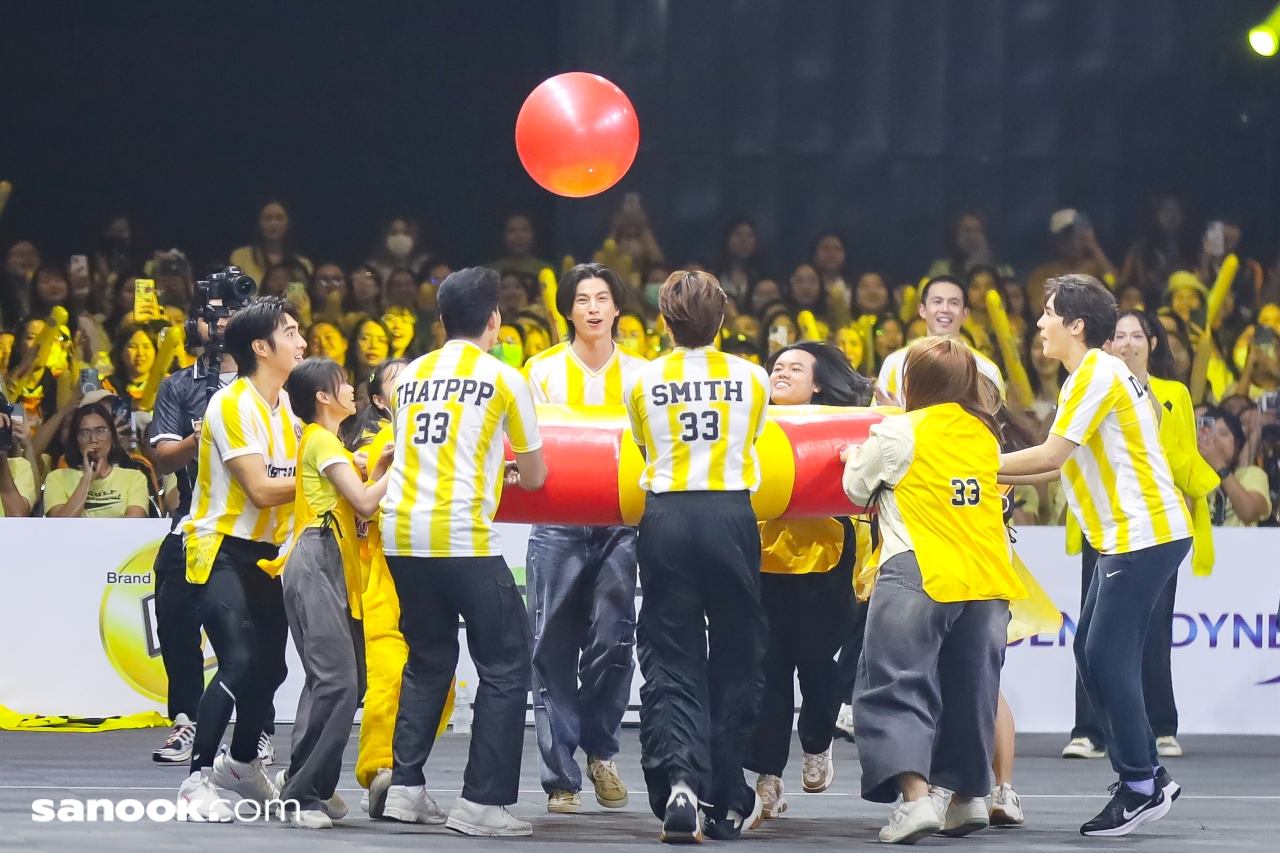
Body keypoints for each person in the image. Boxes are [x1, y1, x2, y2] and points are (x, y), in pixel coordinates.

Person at [999, 274, 1191, 837]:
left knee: (1106, 655)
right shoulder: (1093, 375)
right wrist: (995, 474)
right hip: (1130, 536)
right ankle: (1145, 775)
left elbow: (1052, 454)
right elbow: (1058, 466)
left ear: (1076, 325)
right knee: (1091, 650)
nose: (1040, 323)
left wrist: (965, 469)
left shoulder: (1095, 373)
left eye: (1048, 313)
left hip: (1144, 534)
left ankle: (1141, 785)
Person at [376, 266, 546, 837]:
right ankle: (481, 803)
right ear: (494, 320)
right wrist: (512, 470)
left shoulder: (409, 377)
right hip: (463, 538)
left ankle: (406, 788)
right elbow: (538, 472)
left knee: (428, 659)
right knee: (505, 663)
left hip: (400, 535)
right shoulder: (504, 377)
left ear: (441, 321)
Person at [842, 336, 1026, 844]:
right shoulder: (985, 434)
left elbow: (855, 488)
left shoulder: (900, 430)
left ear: (913, 383)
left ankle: (916, 801)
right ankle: (967, 799)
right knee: (972, 692)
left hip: (920, 571)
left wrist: (852, 456)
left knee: (895, 684)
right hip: (987, 583)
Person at [626, 269, 771, 843]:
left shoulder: (641, 381)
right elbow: (753, 439)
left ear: (664, 321)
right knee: (739, 654)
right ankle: (729, 801)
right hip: (732, 517)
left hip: (666, 519)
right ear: (723, 318)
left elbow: (643, 444)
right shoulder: (753, 377)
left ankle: (680, 784)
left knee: (670, 653)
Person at [1060, 311, 1218, 763]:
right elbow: (1068, 458)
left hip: (1148, 523)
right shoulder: (1091, 380)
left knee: (1134, 634)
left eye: (1136, 335)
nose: (1127, 343)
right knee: (1093, 642)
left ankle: (1150, 748)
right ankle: (1098, 736)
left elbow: (1180, 454)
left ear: (1152, 342)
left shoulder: (1170, 394)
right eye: (1118, 335)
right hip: (1107, 525)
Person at [521, 263, 647, 815]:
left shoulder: (645, 375)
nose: (593, 308)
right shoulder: (539, 370)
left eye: (602, 298)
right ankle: (561, 777)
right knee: (551, 648)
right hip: (556, 524)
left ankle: (601, 750)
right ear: (567, 310)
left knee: (614, 641)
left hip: (622, 525)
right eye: (582, 299)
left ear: (617, 308)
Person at [176, 296, 306, 822]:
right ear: (261, 346)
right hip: (218, 547)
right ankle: (196, 778)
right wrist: (329, 483)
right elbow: (259, 488)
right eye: (291, 331)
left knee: (272, 667)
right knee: (239, 659)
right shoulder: (231, 404)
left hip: (265, 556)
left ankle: (243, 762)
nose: (302, 341)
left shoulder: (288, 409)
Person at [747, 341, 870, 820]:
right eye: (776, 366)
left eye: (795, 368)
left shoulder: (841, 425)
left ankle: (818, 740)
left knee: (819, 671)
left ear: (817, 383)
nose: (781, 372)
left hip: (826, 561)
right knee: (767, 675)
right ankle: (768, 780)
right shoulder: (752, 422)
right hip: (762, 562)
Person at [272, 357, 394, 828]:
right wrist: (398, 466)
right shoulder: (322, 439)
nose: (351, 392)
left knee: (346, 678)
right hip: (316, 557)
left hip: (334, 561)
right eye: (341, 386)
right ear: (322, 397)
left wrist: (377, 465)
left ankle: (312, 785)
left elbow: (357, 498)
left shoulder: (331, 443)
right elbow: (364, 501)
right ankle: (300, 796)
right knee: (338, 680)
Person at [147, 298, 243, 764]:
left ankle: (254, 729)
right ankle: (185, 721)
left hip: (248, 523)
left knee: (242, 633)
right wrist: (197, 438)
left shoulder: (262, 384)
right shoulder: (178, 385)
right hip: (191, 518)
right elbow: (162, 458)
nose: (221, 323)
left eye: (232, 312)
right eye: (212, 313)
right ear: (195, 322)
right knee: (173, 609)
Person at [878, 276, 1005, 404]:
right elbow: (877, 419)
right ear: (922, 310)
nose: (945, 309)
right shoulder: (895, 363)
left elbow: (996, 422)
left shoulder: (986, 369)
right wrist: (897, 415)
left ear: (965, 314)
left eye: (953, 303)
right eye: (937, 302)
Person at [44, 402, 150, 518]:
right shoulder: (57, 478)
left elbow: (133, 524)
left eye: (100, 431)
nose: (93, 439)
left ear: (112, 436)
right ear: (76, 440)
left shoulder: (134, 478)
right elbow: (60, 525)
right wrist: (86, 479)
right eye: (84, 433)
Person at [1026, 209, 1115, 316]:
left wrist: (1094, 247)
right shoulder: (1041, 274)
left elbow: (1116, 287)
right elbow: (1039, 309)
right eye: (1068, 236)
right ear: (1055, 240)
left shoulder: (1095, 267)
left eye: (1078, 236)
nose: (1074, 241)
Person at [1199, 406, 1271, 526]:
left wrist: (1220, 465)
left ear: (1237, 443)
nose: (1216, 441)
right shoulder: (1193, 478)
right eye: (1210, 434)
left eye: (1223, 434)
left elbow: (1249, 514)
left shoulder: (1251, 474)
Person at [230, 201, 312, 286]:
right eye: (267, 218)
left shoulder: (303, 264)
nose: (273, 224)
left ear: (288, 223)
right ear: (259, 223)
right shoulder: (240, 257)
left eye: (279, 218)